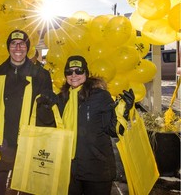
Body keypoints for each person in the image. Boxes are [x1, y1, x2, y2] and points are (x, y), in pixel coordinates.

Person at [37, 55, 134, 195]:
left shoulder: (100, 96)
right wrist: (44, 106)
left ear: (86, 73)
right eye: (69, 72)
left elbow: (112, 129)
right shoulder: (62, 98)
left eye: (78, 71)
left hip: (97, 170)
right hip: (69, 170)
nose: (74, 75)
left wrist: (124, 112)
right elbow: (49, 127)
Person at [0, 29, 53, 195]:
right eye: (13, 43)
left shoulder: (41, 75)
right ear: (8, 47)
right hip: (1, 144)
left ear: (27, 47)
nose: (18, 47)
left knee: (26, 189)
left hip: (28, 144)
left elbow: (46, 114)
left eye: (22, 44)